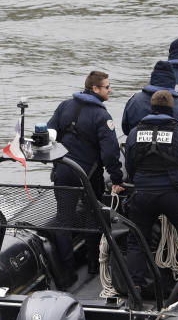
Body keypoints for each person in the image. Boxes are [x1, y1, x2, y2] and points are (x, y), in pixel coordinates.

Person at [124, 90, 178, 292]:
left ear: (150, 108)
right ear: (172, 110)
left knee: (136, 240)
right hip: (175, 195)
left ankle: (134, 287)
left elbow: (130, 166)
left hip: (142, 194)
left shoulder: (135, 133)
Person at [47, 70, 125, 283]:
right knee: (94, 218)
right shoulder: (102, 115)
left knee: (63, 220)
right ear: (95, 89)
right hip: (88, 176)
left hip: (63, 171)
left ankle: (68, 274)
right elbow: (110, 152)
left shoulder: (65, 106)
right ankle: (93, 265)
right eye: (107, 87)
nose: (110, 90)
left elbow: (48, 134)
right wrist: (117, 178)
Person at [121, 60, 178, 135]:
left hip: (136, 144)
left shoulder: (134, 100)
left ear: (153, 76)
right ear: (172, 79)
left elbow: (126, 129)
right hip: (175, 145)